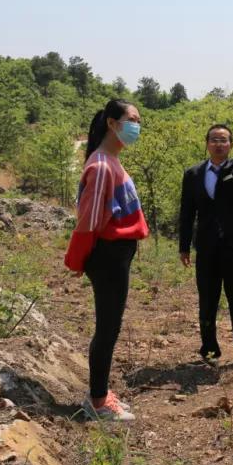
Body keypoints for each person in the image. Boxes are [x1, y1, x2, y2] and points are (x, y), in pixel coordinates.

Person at [64, 99, 150, 422]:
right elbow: (88, 221)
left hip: (116, 256)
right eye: (132, 119)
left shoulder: (111, 160)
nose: (136, 126)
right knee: (107, 328)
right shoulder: (101, 165)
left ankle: (100, 393)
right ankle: (98, 401)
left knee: (111, 326)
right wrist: (79, 260)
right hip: (108, 257)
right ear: (112, 124)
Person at [179, 124, 233, 369]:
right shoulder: (193, 174)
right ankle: (209, 351)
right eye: (214, 140)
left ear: (231, 145)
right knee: (207, 300)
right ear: (207, 143)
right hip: (207, 247)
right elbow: (187, 212)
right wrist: (184, 246)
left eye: (224, 140)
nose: (219, 144)